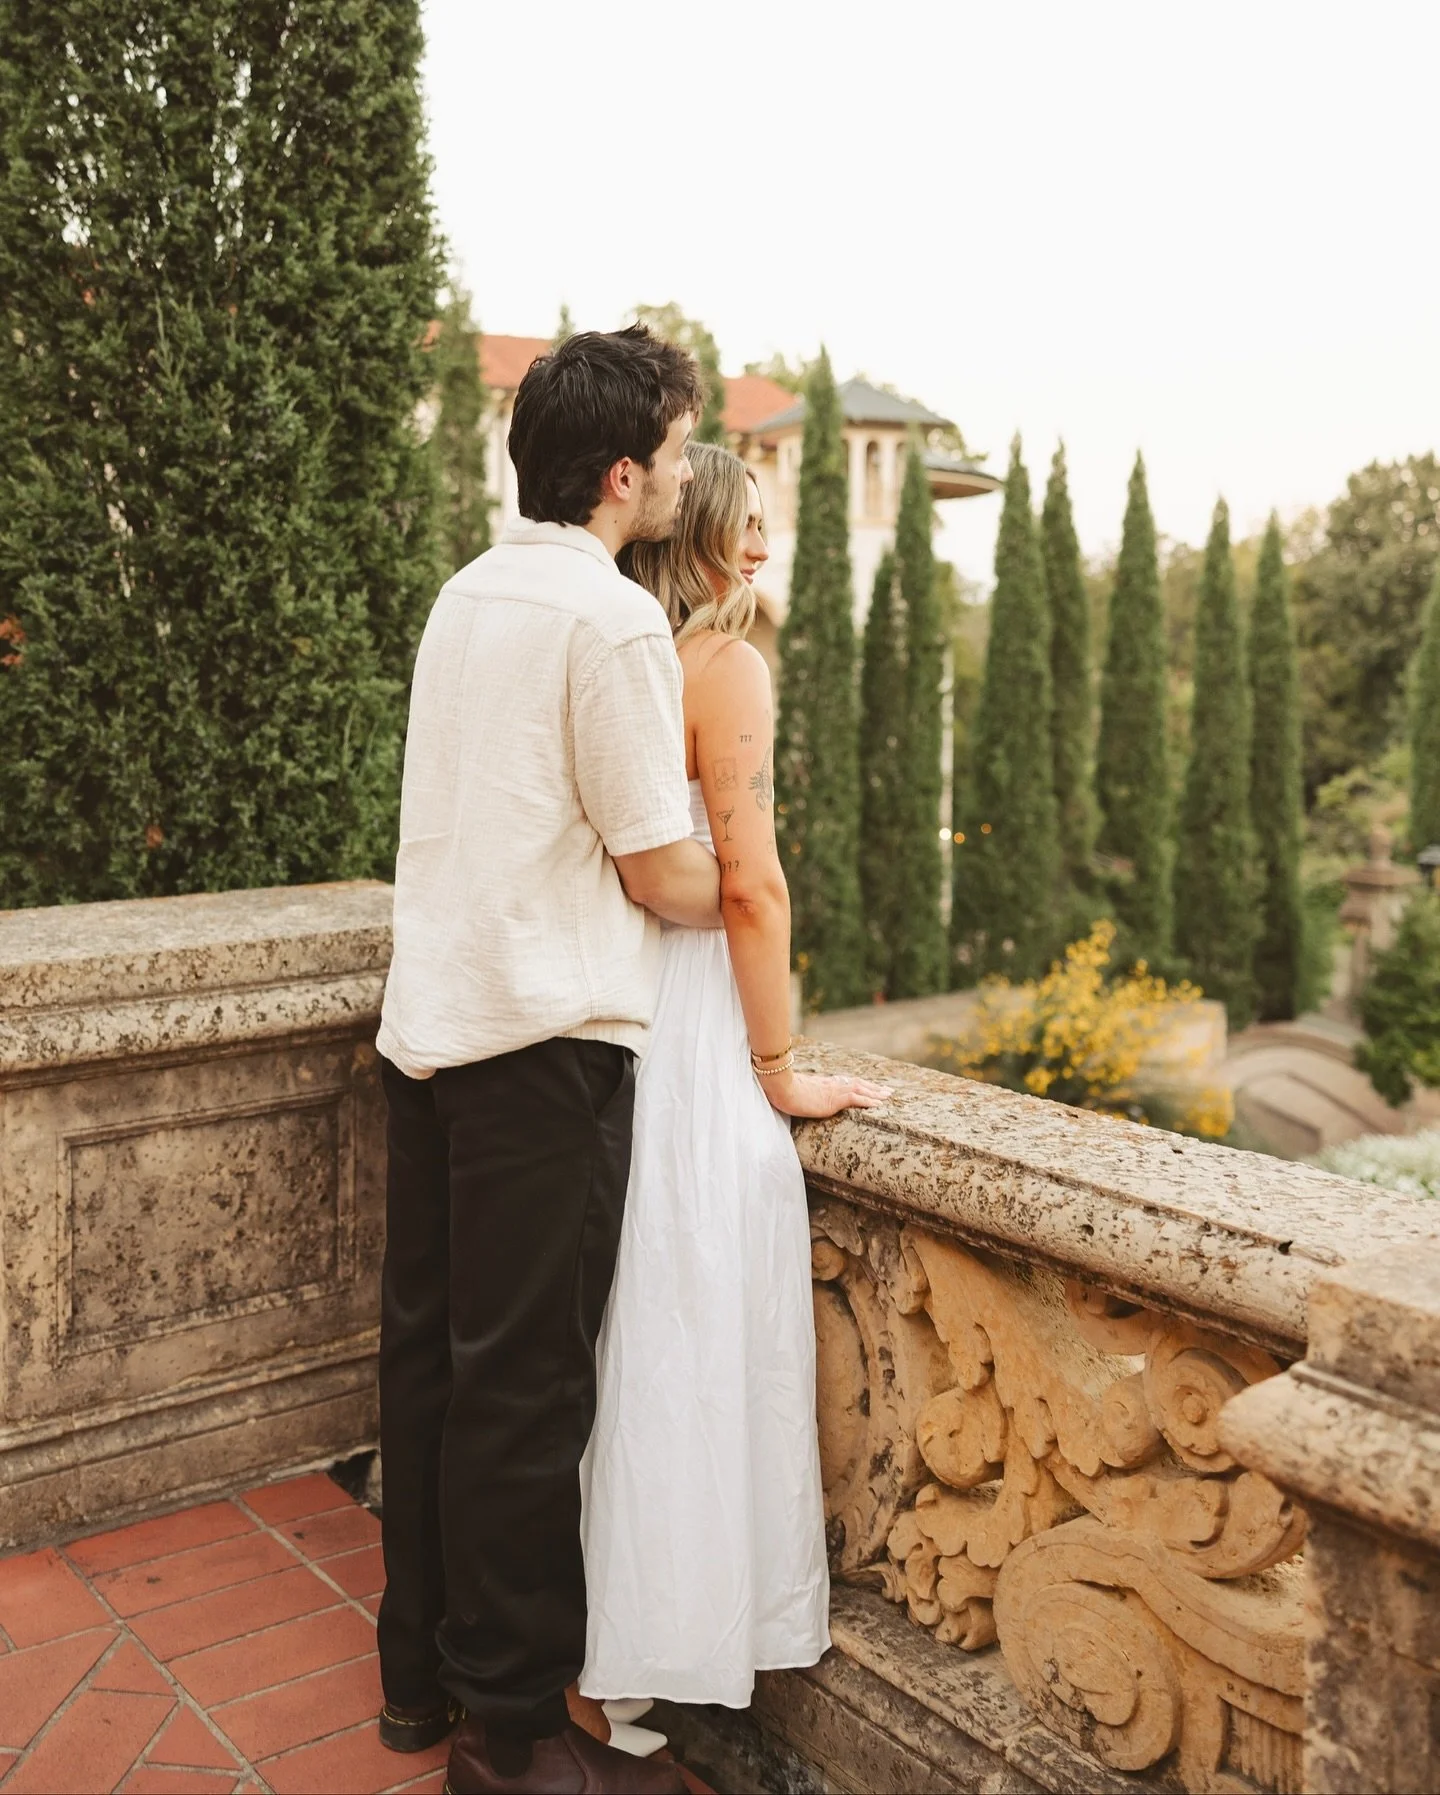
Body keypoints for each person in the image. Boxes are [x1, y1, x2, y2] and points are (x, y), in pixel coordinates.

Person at [374, 326, 716, 1795]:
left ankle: (414, 1680)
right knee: (523, 1390)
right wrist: (742, 874)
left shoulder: (468, 591)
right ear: (625, 471)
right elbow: (659, 869)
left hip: (431, 1029)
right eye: (683, 449)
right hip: (538, 1048)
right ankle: (506, 1732)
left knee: (430, 1362)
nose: (688, 475)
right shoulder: (613, 622)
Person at [579, 443, 891, 1712]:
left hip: (619, 1000)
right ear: (693, 536)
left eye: (768, 527)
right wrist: (780, 1067)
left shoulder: (621, 658)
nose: (762, 550)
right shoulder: (729, 665)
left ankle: (620, 1641)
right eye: (742, 527)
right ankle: (673, 1637)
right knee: (702, 1310)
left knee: (631, 1319)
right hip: (703, 1024)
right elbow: (752, 883)